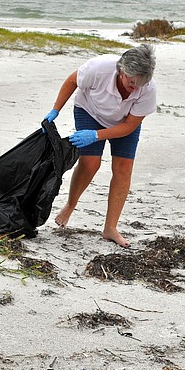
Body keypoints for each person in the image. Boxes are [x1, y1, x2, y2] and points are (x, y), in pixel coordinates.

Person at [43, 44, 157, 248]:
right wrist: (55, 111)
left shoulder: (147, 89)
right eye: (131, 83)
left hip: (123, 124)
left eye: (139, 85)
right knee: (90, 163)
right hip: (90, 111)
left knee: (123, 169)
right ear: (121, 70)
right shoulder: (99, 68)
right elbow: (72, 81)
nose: (135, 89)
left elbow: (130, 125)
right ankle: (71, 205)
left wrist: (96, 135)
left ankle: (110, 228)